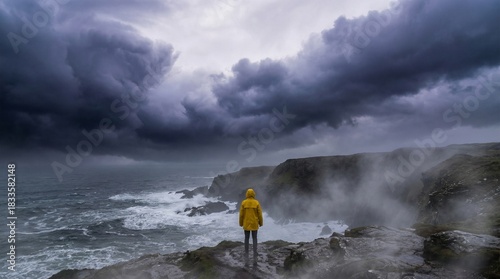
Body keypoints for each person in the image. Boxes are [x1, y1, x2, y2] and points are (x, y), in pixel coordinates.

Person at [239, 188, 263, 266]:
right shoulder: (256, 203)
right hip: (254, 223)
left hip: (246, 223)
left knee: (246, 238)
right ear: (253, 194)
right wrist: (261, 223)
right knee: (255, 238)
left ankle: (246, 252)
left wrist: (241, 223)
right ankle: (255, 251)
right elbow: (259, 214)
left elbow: (241, 215)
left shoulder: (244, 202)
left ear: (247, 194)